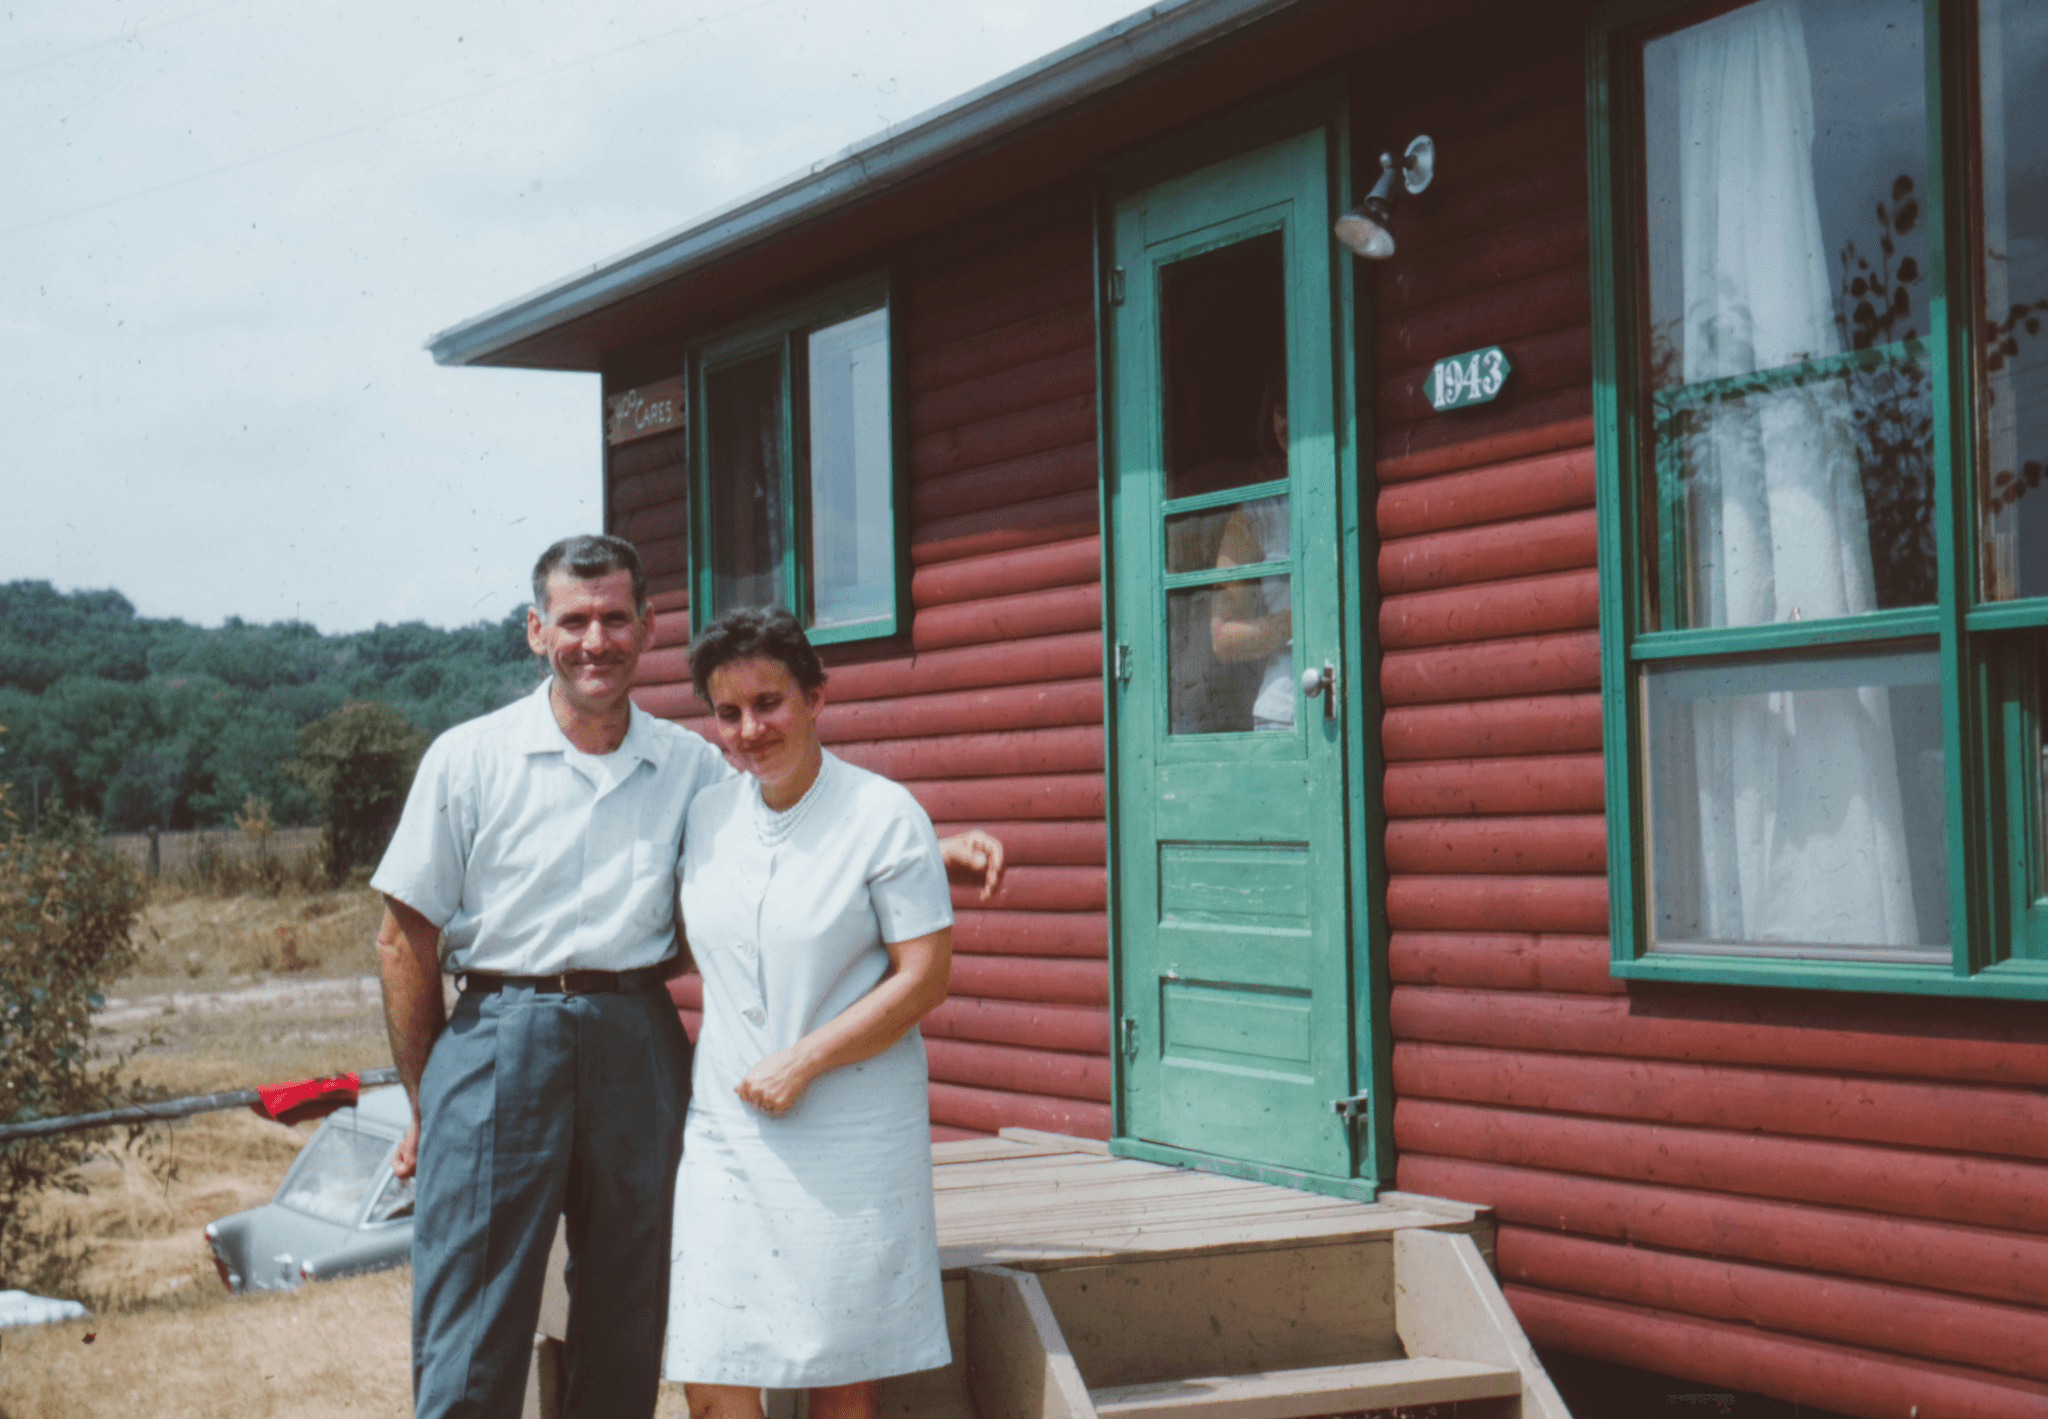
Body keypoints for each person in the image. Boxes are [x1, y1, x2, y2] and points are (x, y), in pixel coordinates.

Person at [372, 536, 1003, 1419]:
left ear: (647, 626)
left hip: (636, 1033)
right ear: (534, 630)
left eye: (615, 617)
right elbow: (403, 938)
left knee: (629, 1305)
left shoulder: (694, 765)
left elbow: (782, 839)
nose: (596, 639)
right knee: (473, 1313)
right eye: (573, 620)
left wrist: (924, 855)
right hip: (500, 1029)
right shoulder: (469, 757)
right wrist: (425, 1096)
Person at [665, 606, 955, 1419]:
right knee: (711, 1359)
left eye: (769, 703)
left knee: (840, 1365)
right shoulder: (707, 817)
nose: (749, 728)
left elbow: (926, 976)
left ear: (817, 697)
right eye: (728, 712)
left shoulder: (884, 814)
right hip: (727, 1125)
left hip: (851, 1127)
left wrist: (804, 1059)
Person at [1209, 373, 1294, 731]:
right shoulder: (1259, 511)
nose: (1289, 421)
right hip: (1282, 712)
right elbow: (1223, 638)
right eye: (1281, 410)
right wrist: (1296, 622)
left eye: (1300, 406)